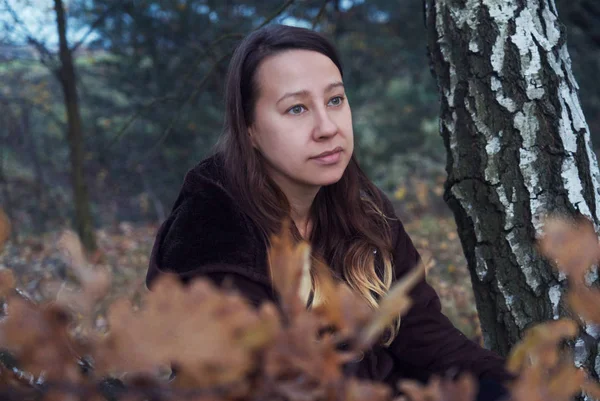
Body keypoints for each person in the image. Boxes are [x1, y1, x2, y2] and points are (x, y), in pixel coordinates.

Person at [146, 24, 512, 399]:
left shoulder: (360, 206)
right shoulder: (209, 235)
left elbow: (423, 334)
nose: (326, 128)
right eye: (297, 108)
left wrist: (514, 387)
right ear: (250, 129)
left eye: (335, 100)